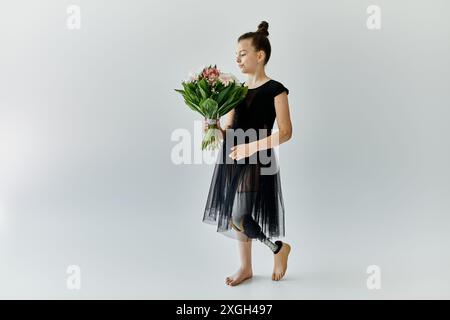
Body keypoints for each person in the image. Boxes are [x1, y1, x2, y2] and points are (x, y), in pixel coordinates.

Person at [202, 21, 293, 286]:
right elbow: (228, 130)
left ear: (260, 55)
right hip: (232, 157)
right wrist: (212, 125)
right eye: (236, 55)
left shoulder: (276, 89)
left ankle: (277, 248)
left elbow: (286, 132)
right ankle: (247, 267)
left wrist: (251, 147)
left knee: (239, 215)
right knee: (235, 216)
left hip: (257, 159)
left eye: (243, 53)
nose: (237, 59)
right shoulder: (236, 92)